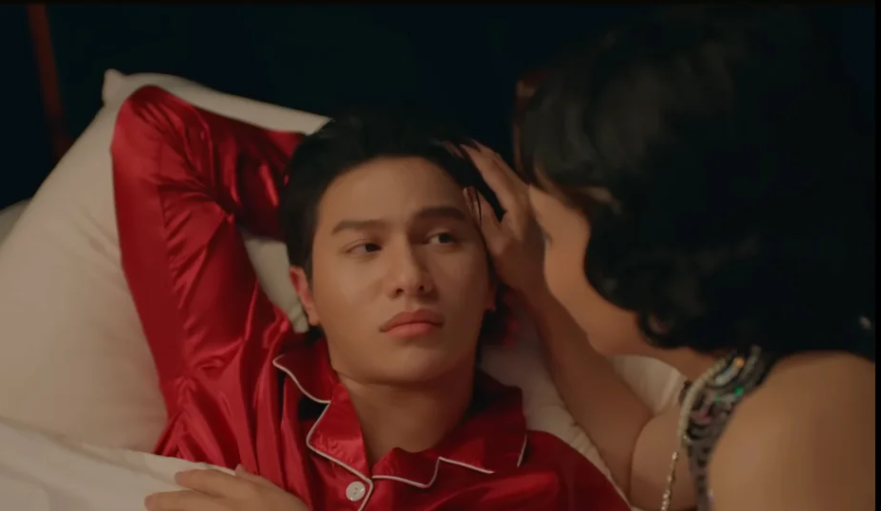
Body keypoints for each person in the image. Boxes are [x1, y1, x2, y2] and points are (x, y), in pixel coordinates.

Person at [110, 86, 630, 511]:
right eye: (366, 247)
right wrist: (339, 183)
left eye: (442, 238)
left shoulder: (550, 488)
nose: (410, 277)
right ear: (306, 292)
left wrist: (537, 277)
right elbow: (158, 134)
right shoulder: (234, 379)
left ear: (493, 283)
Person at [465, 6, 875, 511]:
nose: (544, 262)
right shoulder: (747, 374)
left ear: (640, 238)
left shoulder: (789, 435)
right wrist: (537, 291)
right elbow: (645, 467)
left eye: (548, 234)